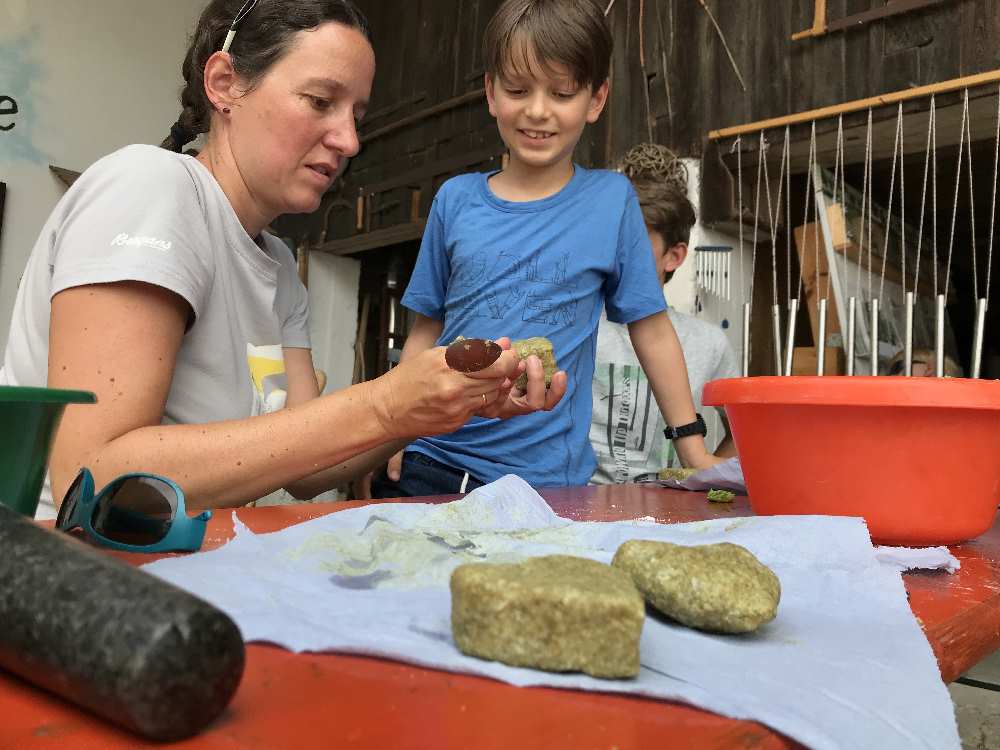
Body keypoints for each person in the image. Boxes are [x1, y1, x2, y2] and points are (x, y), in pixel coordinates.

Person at [0, 0, 560, 520]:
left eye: (356, 115)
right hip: (79, 582)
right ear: (224, 84)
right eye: (320, 102)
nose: (349, 140)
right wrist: (387, 402)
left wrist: (438, 405)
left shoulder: (278, 266)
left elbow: (308, 470)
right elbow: (92, 476)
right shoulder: (151, 186)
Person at [371, 0, 719, 499]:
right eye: (517, 89)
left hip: (544, 483)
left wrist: (693, 449)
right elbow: (426, 328)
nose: (537, 110)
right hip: (433, 459)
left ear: (596, 99)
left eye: (561, 92)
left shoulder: (611, 201)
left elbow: (653, 329)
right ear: (490, 92)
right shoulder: (456, 200)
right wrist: (394, 428)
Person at [589, 144, 739, 485]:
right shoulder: (580, 324)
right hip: (580, 505)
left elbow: (745, 428)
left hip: (669, 511)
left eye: (635, 242)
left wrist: (706, 474)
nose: (617, 253)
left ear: (673, 256)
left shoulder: (708, 343)